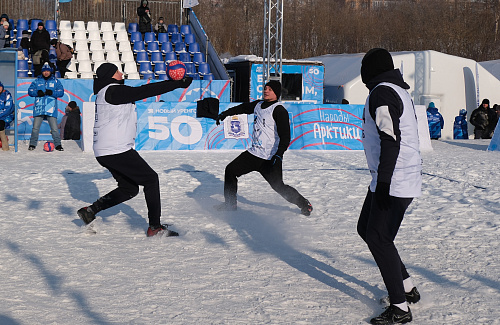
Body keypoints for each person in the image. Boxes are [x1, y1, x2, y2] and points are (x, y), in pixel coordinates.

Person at [76, 63, 192, 237]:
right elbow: (144, 91)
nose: (121, 73)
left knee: (129, 189)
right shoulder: (112, 90)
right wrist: (176, 83)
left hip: (106, 150)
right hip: (115, 149)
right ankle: (155, 227)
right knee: (151, 179)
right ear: (109, 75)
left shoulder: (107, 91)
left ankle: (90, 210)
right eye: (117, 71)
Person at [358, 48, 422, 324]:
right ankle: (407, 288)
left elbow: (390, 139)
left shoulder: (382, 92)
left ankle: (400, 307)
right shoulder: (392, 89)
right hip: (388, 177)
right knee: (366, 229)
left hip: (394, 180)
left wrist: (384, 182)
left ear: (370, 70)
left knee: (378, 238)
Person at [206, 80, 313, 216]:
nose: (266, 91)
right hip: (254, 153)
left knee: (279, 187)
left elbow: (285, 137)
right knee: (230, 170)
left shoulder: (279, 110)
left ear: (276, 93)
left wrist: (279, 155)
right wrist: (224, 114)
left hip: (270, 157)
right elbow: (242, 108)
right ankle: (230, 204)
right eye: (265, 88)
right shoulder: (258, 104)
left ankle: (304, 204)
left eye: (270, 89)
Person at [27, 62, 64, 151]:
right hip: (39, 108)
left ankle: (58, 144)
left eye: (48, 71)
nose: (46, 73)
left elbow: (61, 92)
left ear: (50, 72)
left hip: (51, 108)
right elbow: (30, 91)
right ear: (42, 72)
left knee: (54, 129)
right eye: (44, 71)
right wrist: (37, 93)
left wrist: (52, 93)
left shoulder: (55, 81)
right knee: (35, 128)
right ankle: (32, 144)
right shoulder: (37, 81)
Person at [0, 81, 14, 151]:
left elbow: (8, 108)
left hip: (6, 116)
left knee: (0, 124)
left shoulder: (6, 94)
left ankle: (5, 147)